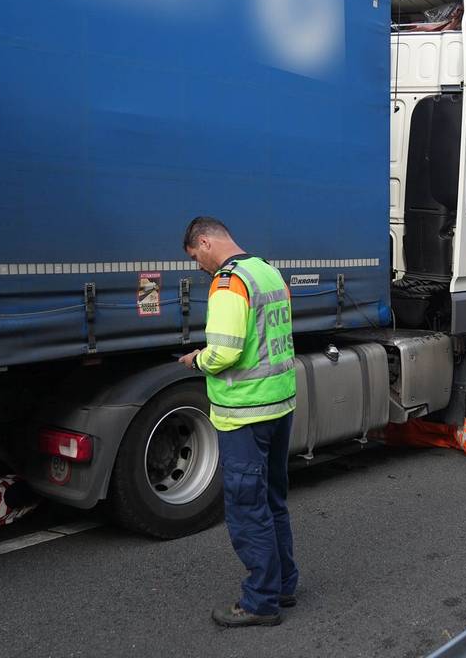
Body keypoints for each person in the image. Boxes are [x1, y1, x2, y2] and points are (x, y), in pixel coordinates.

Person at [179, 217, 298, 629]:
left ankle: (262, 601)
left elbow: (225, 353)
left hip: (244, 414)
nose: (199, 267)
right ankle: (284, 584)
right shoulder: (267, 270)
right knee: (273, 501)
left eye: (196, 257)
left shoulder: (228, 283)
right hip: (279, 406)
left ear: (207, 242)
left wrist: (198, 359)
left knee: (248, 509)